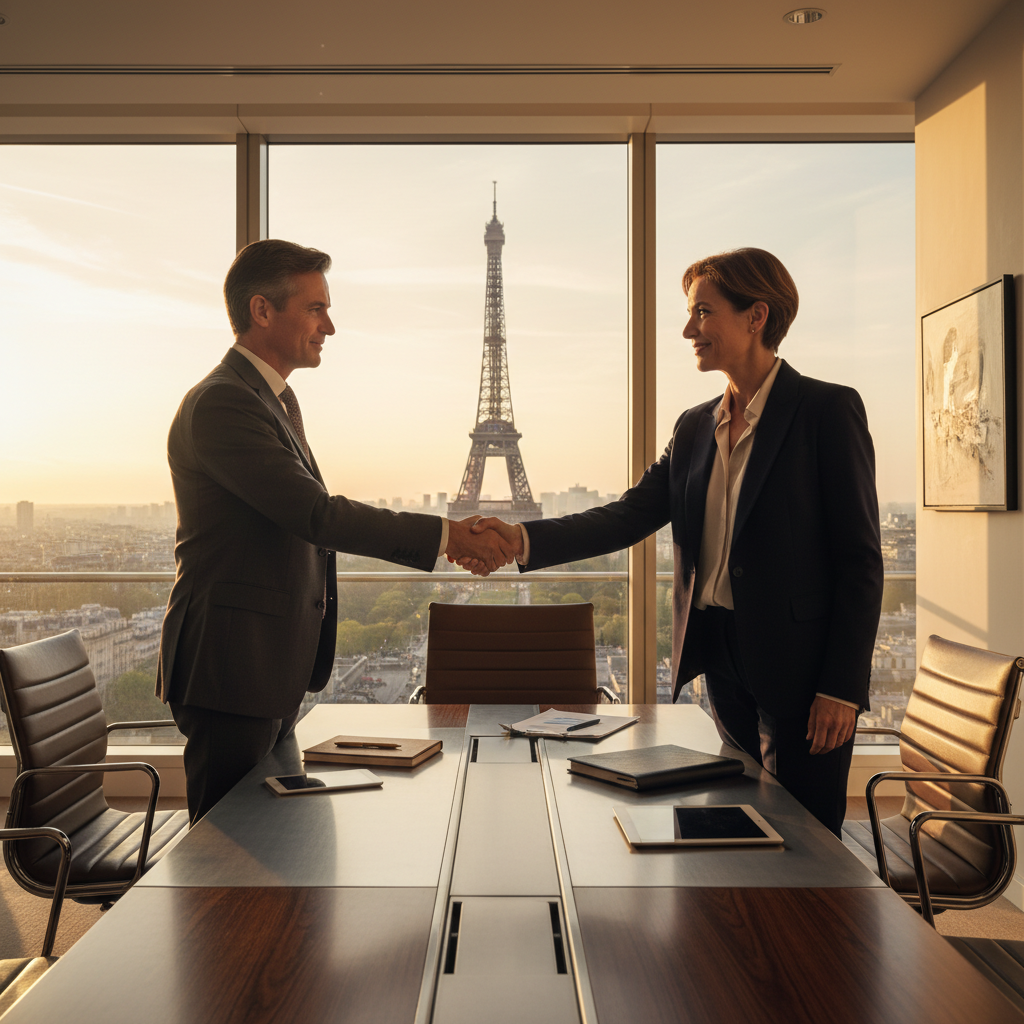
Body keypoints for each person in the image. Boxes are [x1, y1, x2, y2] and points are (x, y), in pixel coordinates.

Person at [466, 248, 883, 836]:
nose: (689, 330)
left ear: (756, 316)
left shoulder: (826, 411)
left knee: (808, 839)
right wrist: (521, 538)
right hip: (722, 656)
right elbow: (628, 516)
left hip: (801, 664)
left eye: (703, 312)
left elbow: (860, 561)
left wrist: (841, 687)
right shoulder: (694, 426)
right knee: (736, 824)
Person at [157, 238, 514, 823]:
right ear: (262, 310)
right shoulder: (225, 403)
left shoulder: (265, 399)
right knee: (227, 849)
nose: (329, 325)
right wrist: (449, 536)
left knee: (265, 837)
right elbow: (317, 515)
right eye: (316, 308)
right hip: (231, 666)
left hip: (261, 664)